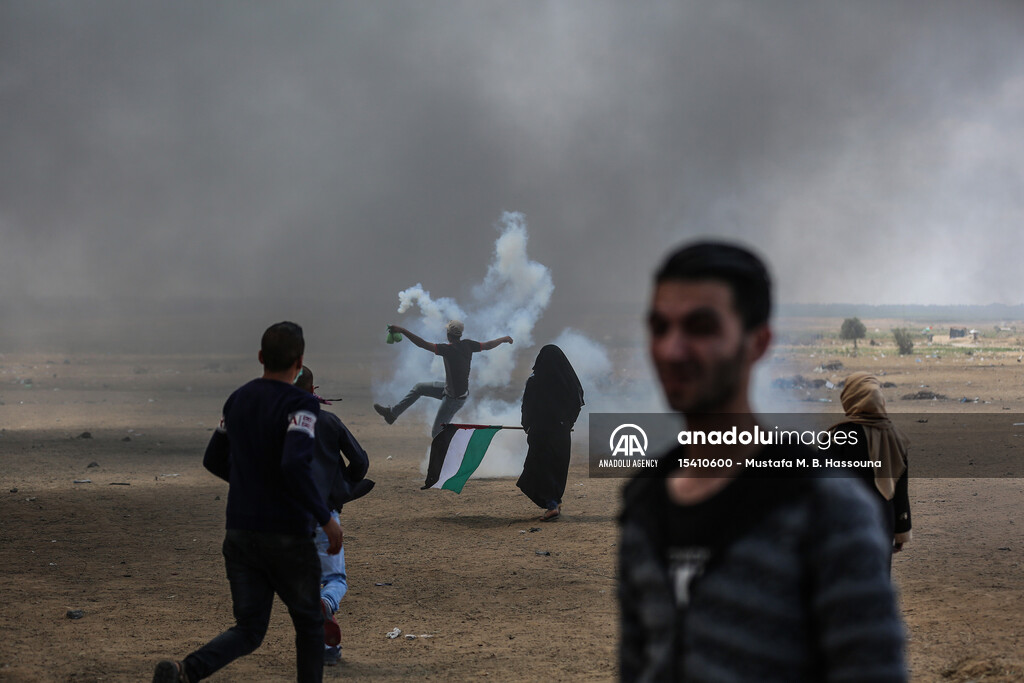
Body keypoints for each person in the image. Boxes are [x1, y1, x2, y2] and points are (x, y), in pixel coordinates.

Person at [618, 242, 907, 682]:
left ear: (758, 342)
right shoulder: (643, 502)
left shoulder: (826, 510)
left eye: (700, 327)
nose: (672, 350)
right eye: (659, 327)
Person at [153, 322, 343, 683]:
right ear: (299, 362)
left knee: (250, 628)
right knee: (308, 625)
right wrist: (325, 518)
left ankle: (184, 672)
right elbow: (293, 464)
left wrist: (250, 484)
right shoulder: (301, 403)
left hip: (240, 532)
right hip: (287, 534)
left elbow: (213, 458)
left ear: (260, 357)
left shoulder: (237, 399)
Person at [294, 366, 374, 666]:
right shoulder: (327, 420)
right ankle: (327, 607)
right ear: (313, 389)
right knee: (334, 579)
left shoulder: (275, 423)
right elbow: (360, 460)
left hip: (284, 518)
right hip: (323, 515)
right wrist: (342, 484)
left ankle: (324, 648)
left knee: (302, 585)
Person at [373, 319, 513, 437]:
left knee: (437, 434)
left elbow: (422, 344)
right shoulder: (468, 345)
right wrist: (503, 339)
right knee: (419, 388)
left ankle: (448, 460)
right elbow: (488, 345)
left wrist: (403, 330)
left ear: (448, 334)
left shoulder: (448, 349)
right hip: (449, 391)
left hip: (454, 399)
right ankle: (392, 414)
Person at [828, 371, 912, 566]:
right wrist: (901, 531)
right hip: (883, 521)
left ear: (850, 398)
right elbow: (900, 490)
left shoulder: (836, 437)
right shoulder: (896, 438)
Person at [516, 345, 584, 521]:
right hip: (561, 431)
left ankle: (552, 505)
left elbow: (527, 406)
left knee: (540, 468)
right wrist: (568, 422)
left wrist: (527, 426)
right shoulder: (568, 380)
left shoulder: (535, 380)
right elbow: (577, 402)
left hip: (541, 432)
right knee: (556, 467)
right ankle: (554, 501)